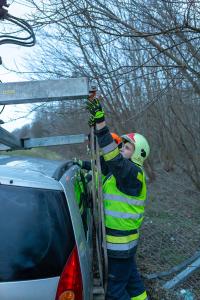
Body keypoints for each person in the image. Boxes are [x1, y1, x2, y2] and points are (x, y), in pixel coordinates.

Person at [86, 98, 150, 300]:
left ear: (138, 154)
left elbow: (112, 157)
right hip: (125, 244)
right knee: (132, 281)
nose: (123, 148)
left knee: (115, 292)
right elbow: (104, 162)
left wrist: (102, 125)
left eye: (128, 147)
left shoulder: (132, 173)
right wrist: (96, 133)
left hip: (119, 245)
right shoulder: (122, 173)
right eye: (123, 145)